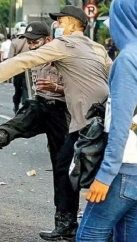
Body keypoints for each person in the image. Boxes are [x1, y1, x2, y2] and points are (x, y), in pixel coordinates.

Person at [0, 6, 112, 241]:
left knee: (76, 170)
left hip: (85, 121)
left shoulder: (65, 44)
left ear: (74, 24)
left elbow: (29, 58)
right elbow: (111, 76)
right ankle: (70, 225)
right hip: (102, 117)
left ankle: (78, 226)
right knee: (76, 168)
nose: (57, 25)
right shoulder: (98, 48)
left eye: (61, 21)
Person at [0, 22, 70, 235]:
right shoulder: (34, 55)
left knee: (62, 167)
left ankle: (65, 225)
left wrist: (56, 87)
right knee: (27, 111)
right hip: (41, 104)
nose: (31, 45)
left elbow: (82, 88)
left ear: (48, 40)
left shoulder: (64, 55)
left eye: (34, 41)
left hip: (63, 111)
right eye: (28, 42)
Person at [76, 0, 137, 241]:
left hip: (123, 170)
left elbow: (121, 124)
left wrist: (105, 175)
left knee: (89, 235)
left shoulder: (128, 60)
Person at [8, 30, 29, 113]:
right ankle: (26, 105)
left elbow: (10, 58)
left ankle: (16, 104)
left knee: (17, 88)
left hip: (18, 69)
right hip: (30, 68)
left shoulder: (14, 42)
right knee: (27, 88)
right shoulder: (32, 41)